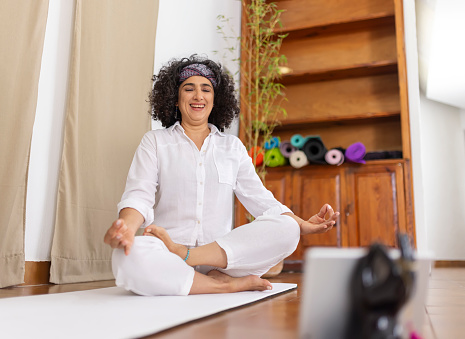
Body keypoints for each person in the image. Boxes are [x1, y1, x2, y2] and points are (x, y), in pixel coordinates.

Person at [103, 55, 339, 296]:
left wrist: (301, 225)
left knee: (287, 229)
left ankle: (194, 271)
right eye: (189, 88)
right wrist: (127, 230)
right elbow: (138, 197)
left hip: (221, 259)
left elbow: (262, 201)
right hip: (167, 254)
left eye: (206, 89)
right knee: (125, 256)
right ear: (175, 98)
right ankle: (222, 284)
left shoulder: (232, 147)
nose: (198, 96)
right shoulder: (155, 141)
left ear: (215, 100)